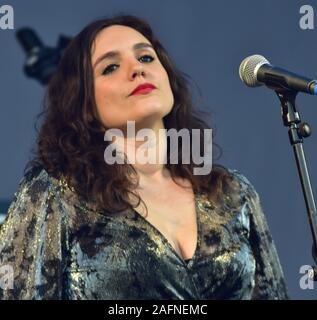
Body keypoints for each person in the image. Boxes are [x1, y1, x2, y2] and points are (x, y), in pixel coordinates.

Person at [0, 14, 289, 300]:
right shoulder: (55, 196)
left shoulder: (234, 193)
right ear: (85, 106)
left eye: (146, 58)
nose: (137, 69)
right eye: (111, 67)